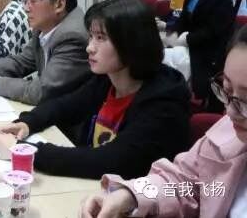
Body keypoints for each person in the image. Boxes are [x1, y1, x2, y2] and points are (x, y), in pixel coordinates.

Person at [0, 0, 191, 180]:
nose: (89, 47)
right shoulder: (108, 79)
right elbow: (65, 105)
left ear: (132, 43)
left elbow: (112, 161)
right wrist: (28, 123)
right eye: (91, 36)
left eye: (101, 38)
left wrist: (26, 150)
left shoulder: (164, 102)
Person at [80, 25, 247, 218]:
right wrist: (132, 195)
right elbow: (187, 185)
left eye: (245, 101)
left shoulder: (162, 100)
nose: (230, 112)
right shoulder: (229, 132)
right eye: (226, 89)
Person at [165, 0, 234, 111]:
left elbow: (214, 30)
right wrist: (169, 34)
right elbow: (183, 20)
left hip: (209, 50)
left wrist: (187, 39)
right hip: (193, 43)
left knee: (167, 62)